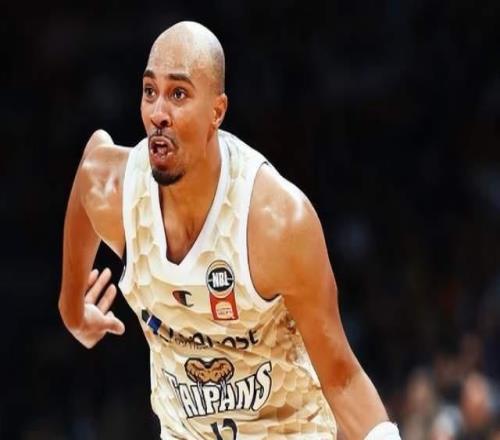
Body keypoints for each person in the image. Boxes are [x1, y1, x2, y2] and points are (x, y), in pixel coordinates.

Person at [58, 21, 401, 440]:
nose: (158, 113)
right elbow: (89, 175)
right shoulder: (114, 191)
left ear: (217, 112)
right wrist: (72, 310)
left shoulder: (276, 222)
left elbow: (342, 377)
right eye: (150, 91)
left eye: (178, 94)